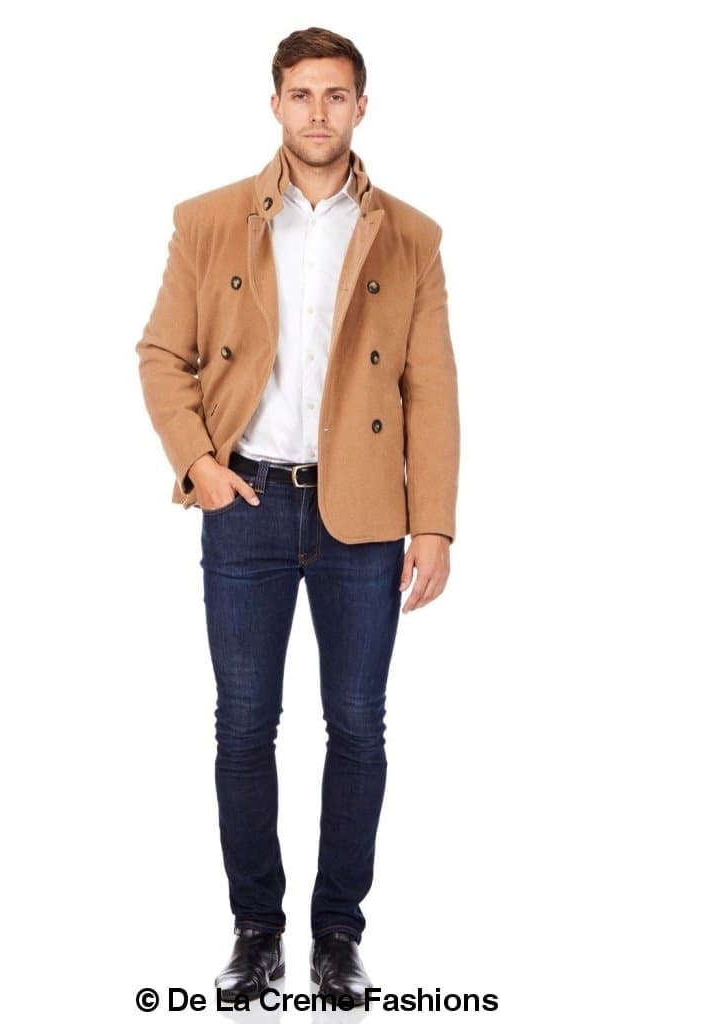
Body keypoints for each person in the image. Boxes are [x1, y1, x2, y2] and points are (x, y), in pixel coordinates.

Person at [134, 26, 460, 1003]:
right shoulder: (209, 220)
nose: (318, 111)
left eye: (336, 94)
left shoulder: (412, 236)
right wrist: (198, 463)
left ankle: (338, 936)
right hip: (246, 503)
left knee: (358, 724)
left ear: (362, 107)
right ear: (275, 104)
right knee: (244, 724)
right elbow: (162, 354)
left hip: (365, 514)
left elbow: (431, 387)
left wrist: (434, 522)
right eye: (302, 94)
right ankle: (256, 930)